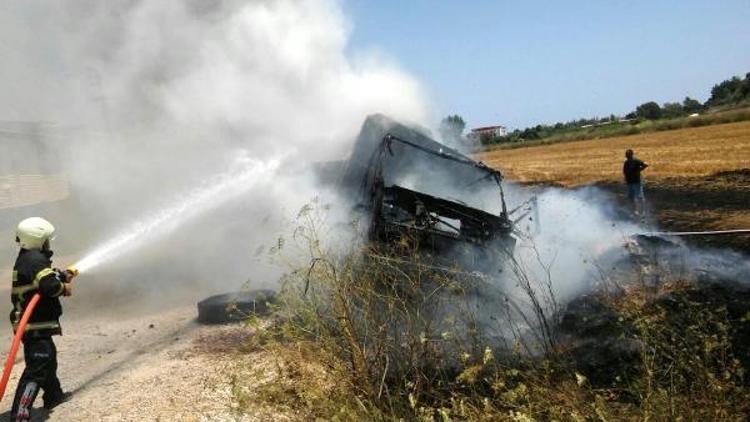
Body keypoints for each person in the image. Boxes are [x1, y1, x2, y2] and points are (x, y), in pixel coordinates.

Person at [9, 217, 75, 421]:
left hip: (35, 325)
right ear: (39, 240)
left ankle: (53, 395)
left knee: (47, 361)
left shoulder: (29, 259)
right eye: (47, 239)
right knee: (38, 366)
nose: (49, 243)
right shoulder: (35, 260)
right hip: (33, 326)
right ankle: (20, 414)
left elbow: (43, 278)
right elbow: (49, 286)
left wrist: (61, 275)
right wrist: (62, 287)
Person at [623, 149, 648, 216]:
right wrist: (625, 179)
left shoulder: (636, 161)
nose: (627, 156)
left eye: (628, 155)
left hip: (637, 182)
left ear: (631, 155)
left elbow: (646, 164)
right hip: (629, 182)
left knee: (640, 197)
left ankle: (643, 211)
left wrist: (640, 170)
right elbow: (625, 172)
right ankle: (635, 210)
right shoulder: (626, 163)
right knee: (631, 197)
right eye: (626, 155)